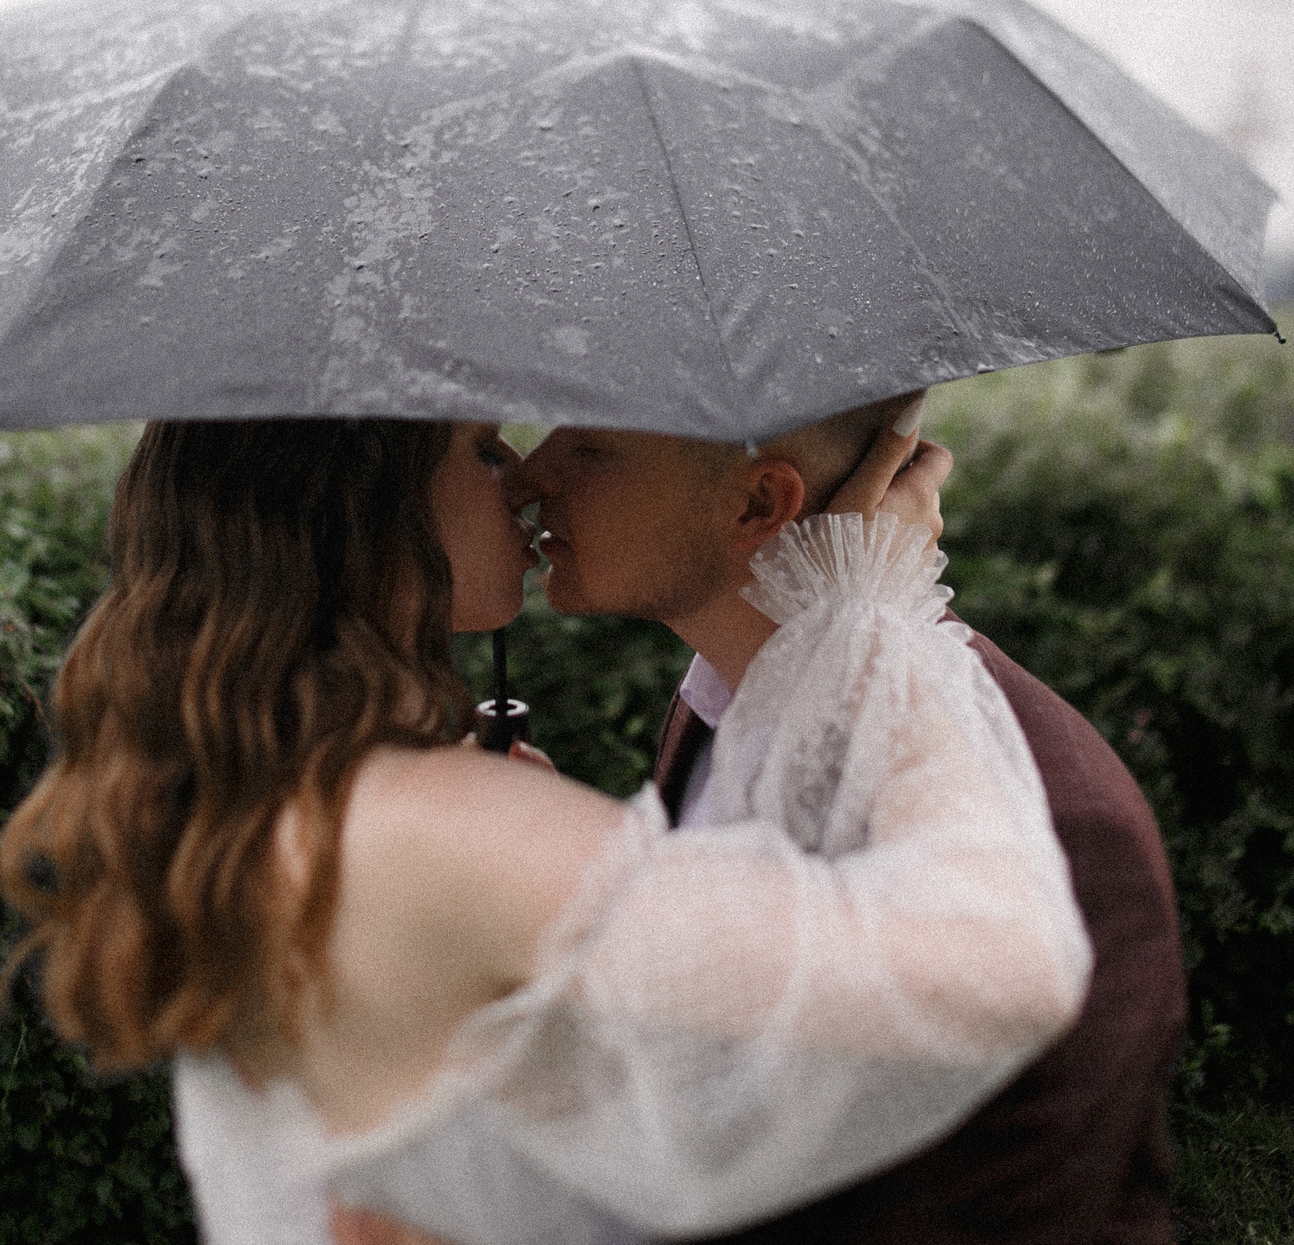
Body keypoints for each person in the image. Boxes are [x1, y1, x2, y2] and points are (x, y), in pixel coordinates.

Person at [0, 415, 1091, 1245]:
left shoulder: (271, 795)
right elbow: (1007, 965)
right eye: (476, 450)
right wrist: (873, 606)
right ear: (366, 512)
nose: (521, 474)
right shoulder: (434, 825)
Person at [504, 405, 1190, 1245]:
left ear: (759, 505)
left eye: (590, 447)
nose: (529, 474)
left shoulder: (1050, 825)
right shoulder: (727, 701)